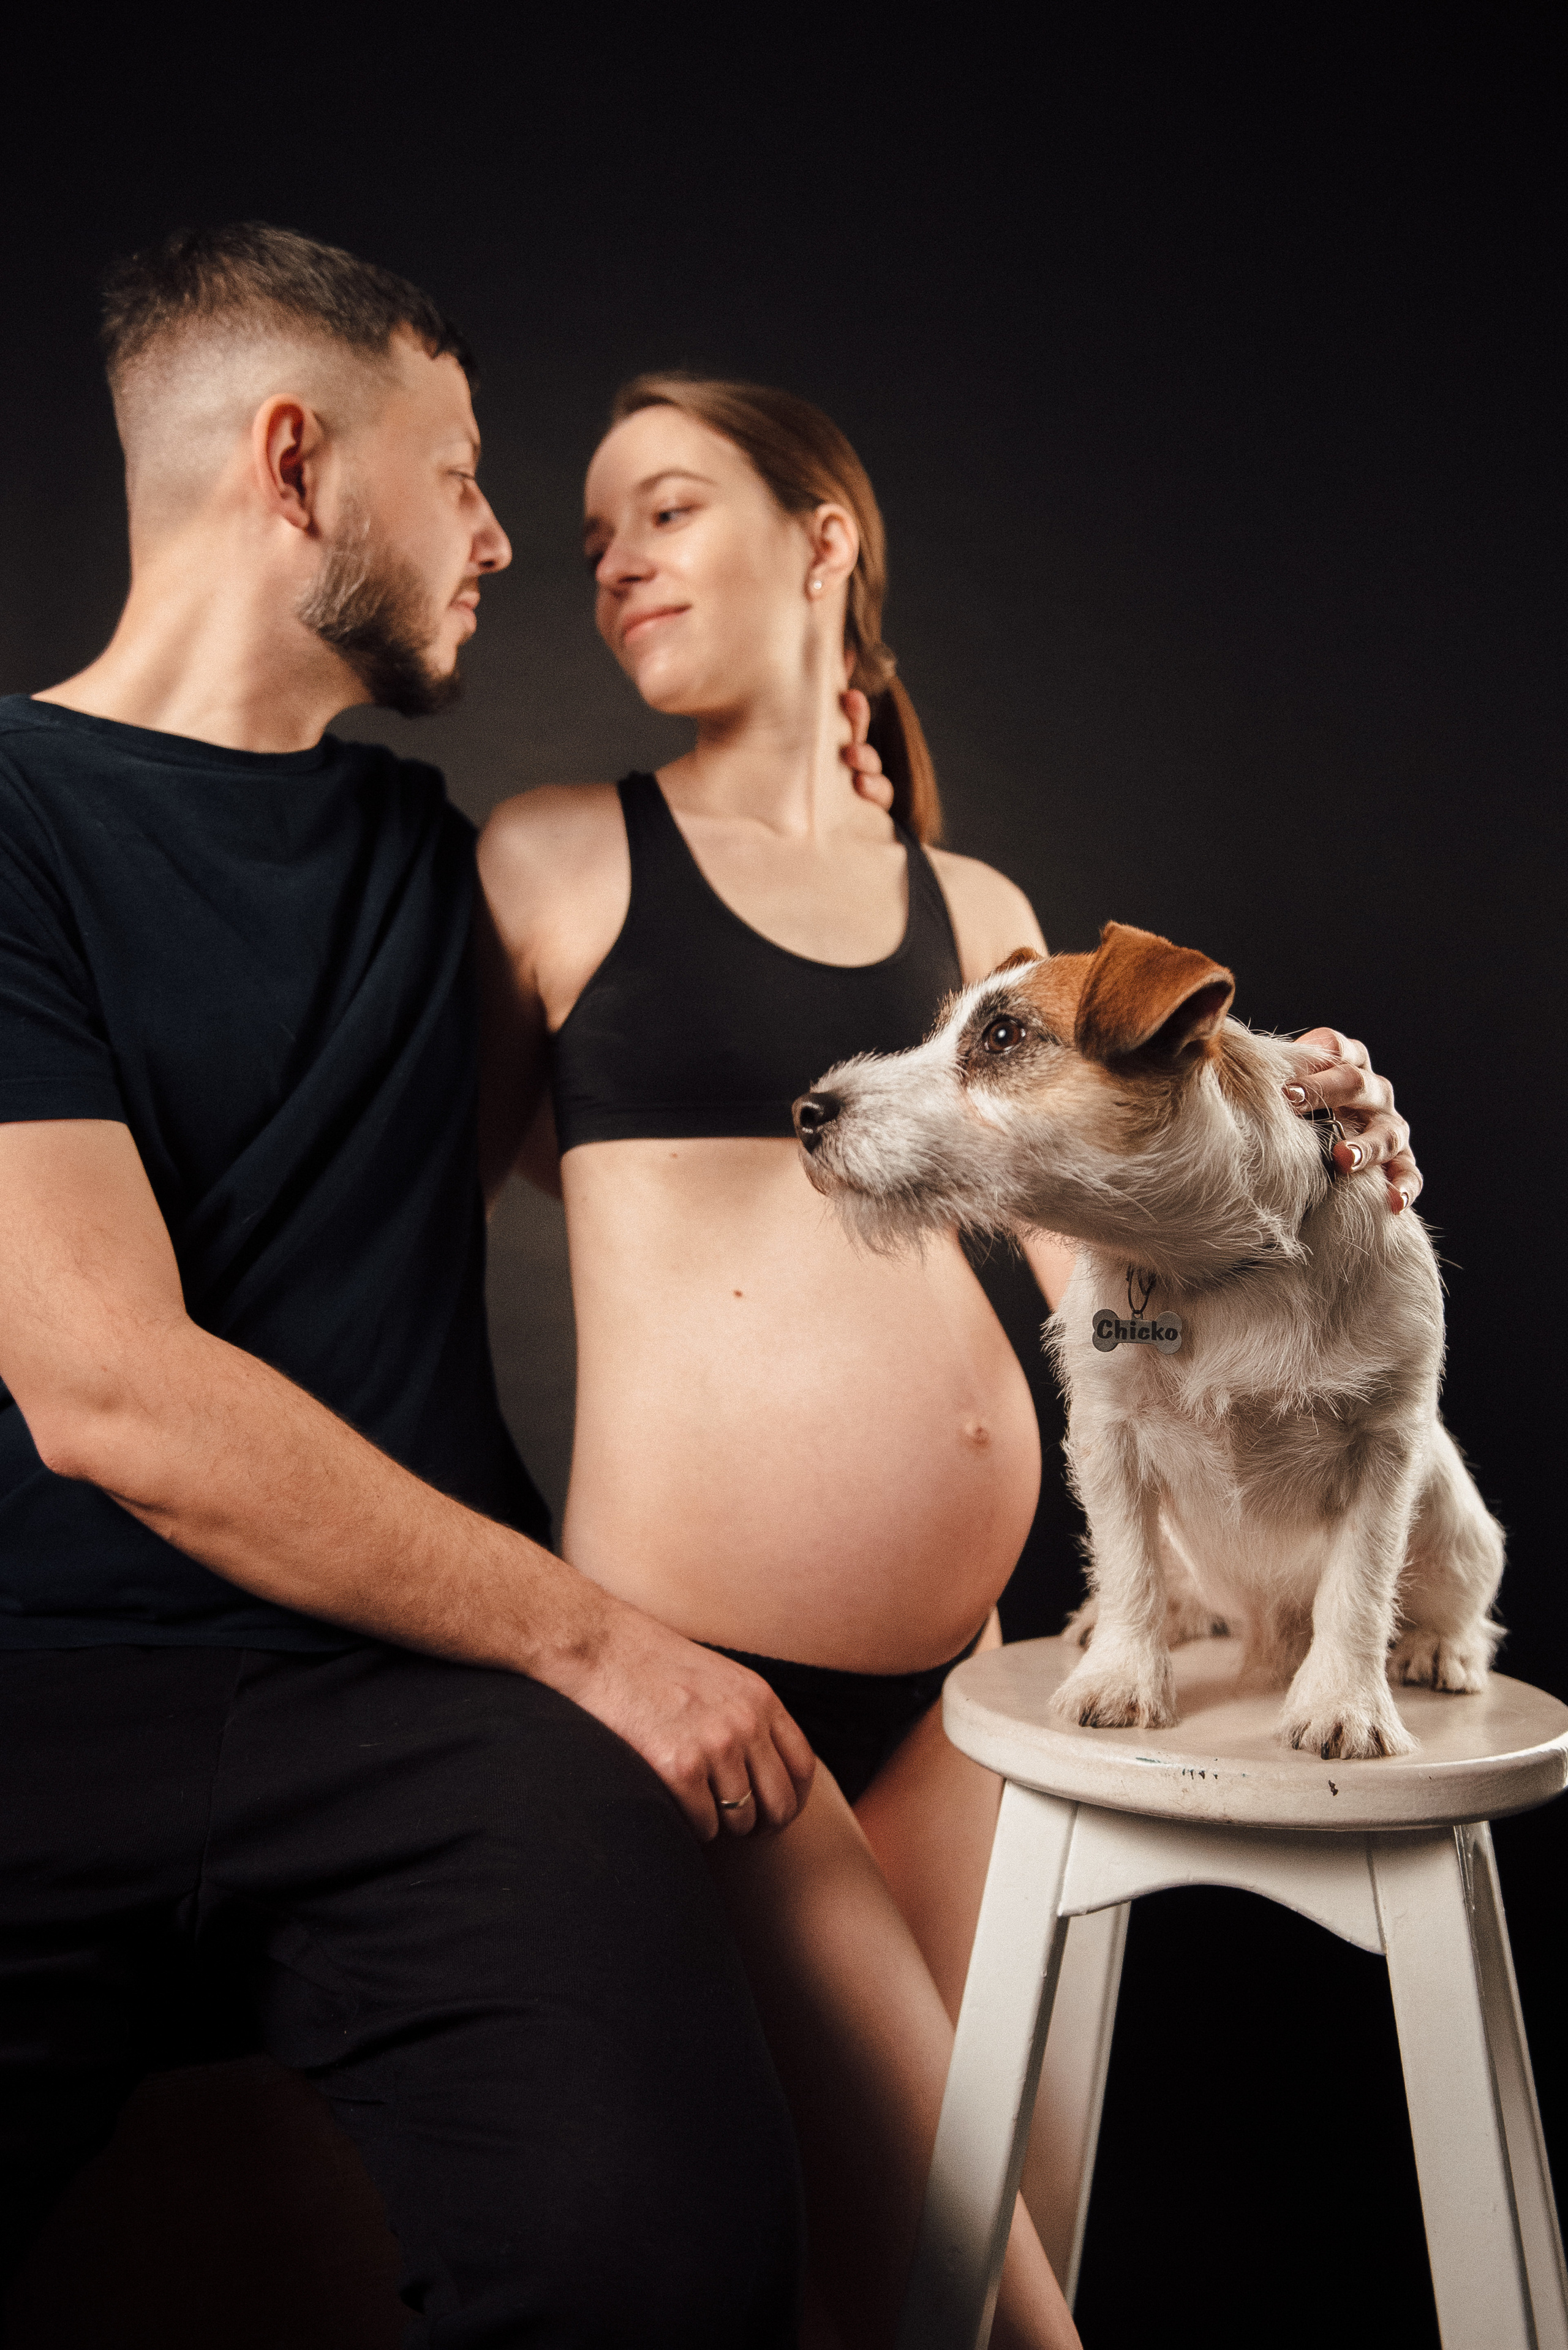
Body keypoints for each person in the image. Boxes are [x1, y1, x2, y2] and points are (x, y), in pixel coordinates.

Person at [477, 375, 1420, 2349]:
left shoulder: (976, 921)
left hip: (989, 1680)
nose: (615, 563)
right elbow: (380, 1234)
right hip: (716, 1695)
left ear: (823, 538)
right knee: (1002, 2302)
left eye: (663, 509)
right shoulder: (559, 860)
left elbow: (1135, 1282)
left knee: (917, 2295)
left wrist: (1336, 1165)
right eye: (592, 543)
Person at [0, 228, 853, 2347]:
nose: (502, 542)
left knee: (672, 2264)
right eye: (461, 474)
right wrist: (611, 1646)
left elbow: (761, 1127)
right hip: (37, 1698)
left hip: (425, 1720)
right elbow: (106, 1383)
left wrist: (1249, 1119)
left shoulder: (436, 859)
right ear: (294, 465)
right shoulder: (9, 822)